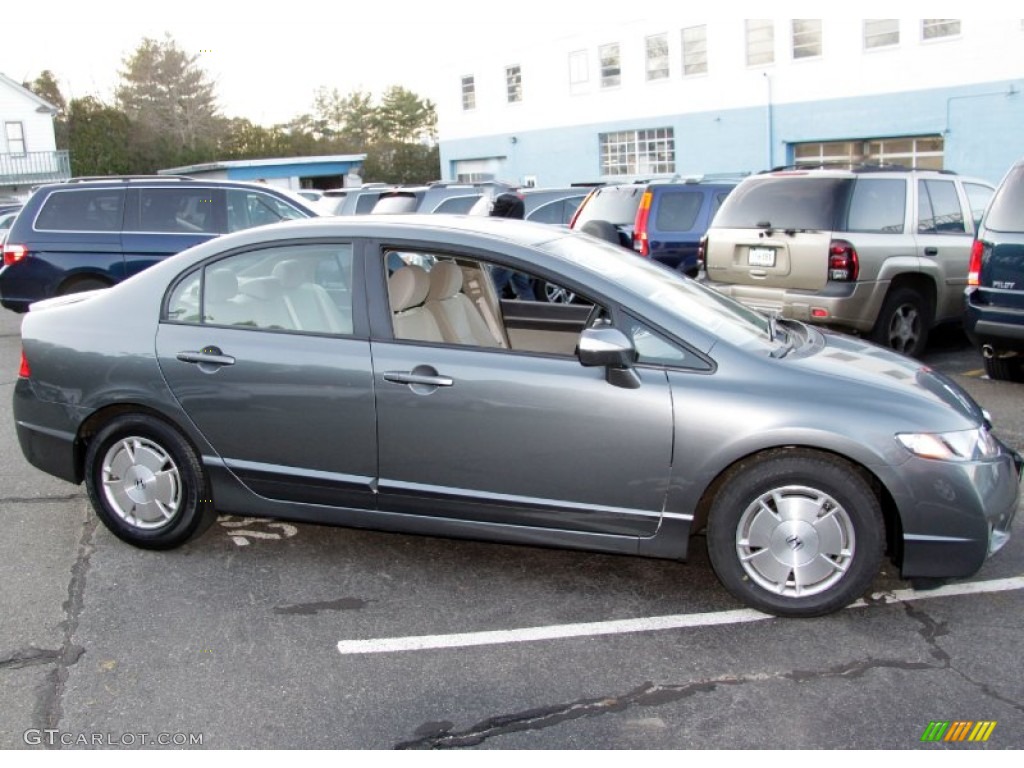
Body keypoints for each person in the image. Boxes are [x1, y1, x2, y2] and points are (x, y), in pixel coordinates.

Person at [488, 193, 534, 300]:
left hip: (505, 258)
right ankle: (532, 310)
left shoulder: (503, 223)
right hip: (518, 257)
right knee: (523, 287)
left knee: (493, 288)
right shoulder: (517, 223)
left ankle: (495, 314)